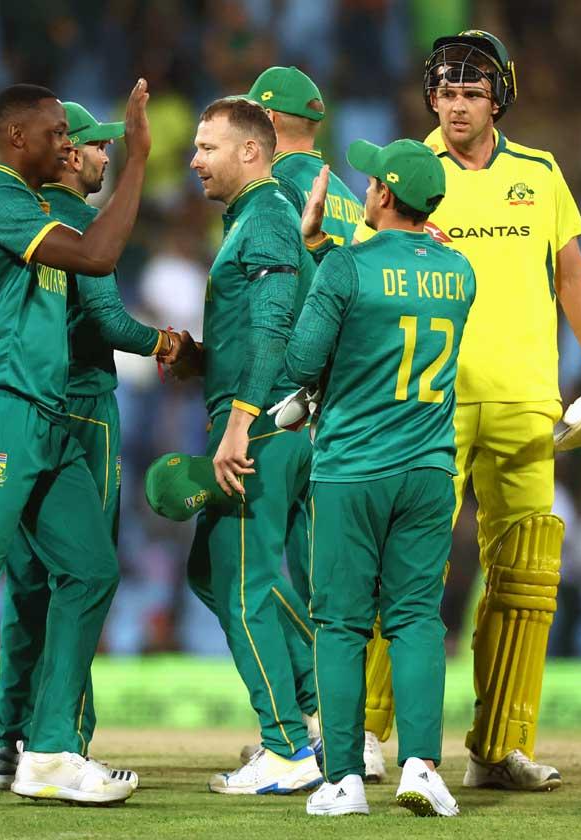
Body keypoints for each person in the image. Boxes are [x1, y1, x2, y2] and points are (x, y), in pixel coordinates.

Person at [0, 80, 155, 810]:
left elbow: (94, 256)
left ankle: (47, 751)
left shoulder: (42, 208)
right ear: (18, 139)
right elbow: (103, 257)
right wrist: (136, 157)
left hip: (46, 416)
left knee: (91, 569)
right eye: (56, 135)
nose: (68, 146)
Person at [419, 29, 581, 790]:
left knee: (524, 578)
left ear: (499, 96)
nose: (457, 104)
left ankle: (498, 747)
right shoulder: (409, 172)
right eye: (445, 90)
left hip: (525, 401)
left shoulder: (539, 173)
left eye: (472, 91)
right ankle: (372, 737)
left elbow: (572, 276)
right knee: (407, 573)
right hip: (427, 402)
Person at [0, 101, 179, 792]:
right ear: (69, 156)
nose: (100, 157)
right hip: (82, 417)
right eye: (95, 147)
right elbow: (105, 320)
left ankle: (11, 739)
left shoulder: (21, 221)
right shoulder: (73, 226)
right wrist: (169, 344)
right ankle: (62, 741)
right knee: (83, 577)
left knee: (30, 586)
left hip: (15, 415)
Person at [283, 139, 474, 817]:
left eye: (370, 182)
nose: (362, 189)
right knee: (417, 620)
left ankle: (343, 780)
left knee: (339, 625)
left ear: (385, 196)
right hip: (429, 468)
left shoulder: (345, 267)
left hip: (353, 471)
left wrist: (315, 253)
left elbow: (304, 360)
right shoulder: (462, 271)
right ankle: (421, 766)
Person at [171, 97, 321, 796]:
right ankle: (317, 693)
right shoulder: (257, 219)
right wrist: (204, 359)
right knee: (212, 570)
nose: (193, 158)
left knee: (239, 582)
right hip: (270, 418)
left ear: (251, 153)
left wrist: (238, 420)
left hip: (257, 427)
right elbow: (255, 330)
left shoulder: (263, 216)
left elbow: (272, 330)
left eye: (206, 147)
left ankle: (287, 746)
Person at [248, 64, 392, 782]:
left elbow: (275, 307)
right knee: (323, 583)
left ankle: (297, 731)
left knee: (241, 565)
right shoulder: (347, 200)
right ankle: (336, 728)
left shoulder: (270, 192)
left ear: (268, 125)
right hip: (339, 416)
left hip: (280, 405)